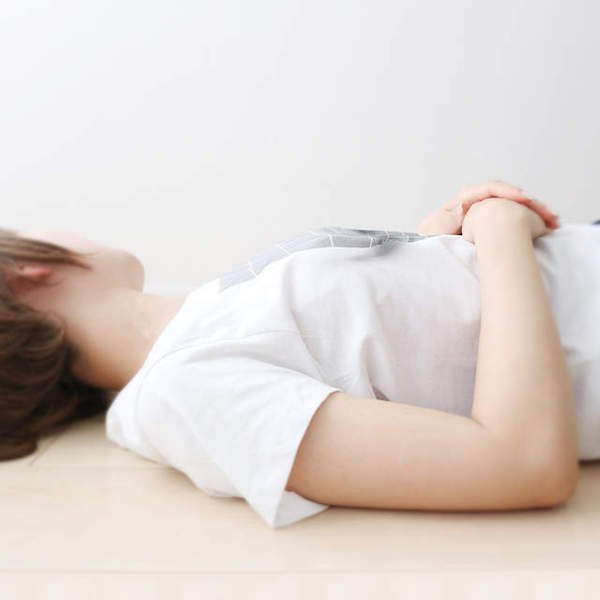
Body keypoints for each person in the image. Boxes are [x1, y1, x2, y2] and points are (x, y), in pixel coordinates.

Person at [0, 180, 597, 529]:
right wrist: (499, 232)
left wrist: (438, 239)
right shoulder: (181, 390)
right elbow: (521, 462)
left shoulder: (206, 319)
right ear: (24, 271)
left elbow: (386, 344)